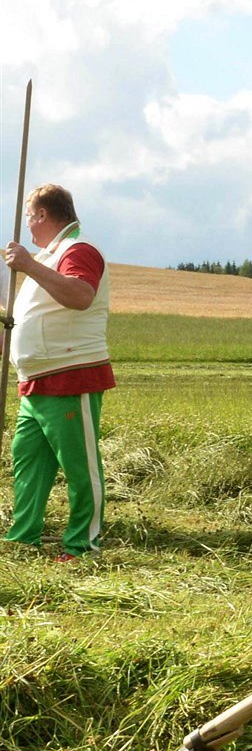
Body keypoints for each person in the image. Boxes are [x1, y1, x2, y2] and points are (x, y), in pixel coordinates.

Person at [3, 184, 115, 562]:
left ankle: (83, 546)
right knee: (27, 460)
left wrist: (28, 265)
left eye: (29, 217)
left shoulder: (78, 250)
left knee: (79, 465)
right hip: (35, 380)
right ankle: (23, 537)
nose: (28, 227)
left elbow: (80, 296)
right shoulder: (48, 257)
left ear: (44, 215)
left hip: (71, 374)